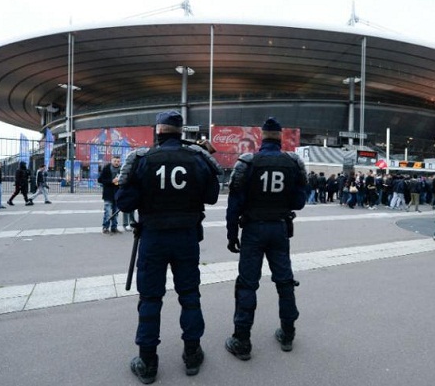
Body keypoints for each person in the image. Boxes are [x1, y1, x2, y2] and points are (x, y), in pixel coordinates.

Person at [116, 111, 220, 383]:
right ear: (180, 132)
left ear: (158, 132)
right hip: (186, 238)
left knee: (150, 298)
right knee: (190, 296)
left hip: (153, 238)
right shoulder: (197, 159)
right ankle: (192, 354)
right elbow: (211, 197)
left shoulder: (142, 160)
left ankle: (148, 362)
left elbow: (124, 202)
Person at [225, 117, 307, 361]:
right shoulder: (292, 163)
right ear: (280, 137)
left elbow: (233, 206)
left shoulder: (248, 163)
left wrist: (232, 235)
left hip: (252, 230)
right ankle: (288, 333)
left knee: (248, 284)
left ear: (261, 136)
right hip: (279, 229)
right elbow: (299, 202)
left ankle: (242, 340)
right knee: (285, 282)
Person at [98, 156, 123, 234]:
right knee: (108, 212)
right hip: (108, 194)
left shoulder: (122, 169)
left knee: (115, 212)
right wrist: (111, 181)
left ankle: (114, 227)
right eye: (115, 161)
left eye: (118, 161)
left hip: (117, 194)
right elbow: (100, 180)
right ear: (112, 161)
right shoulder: (106, 168)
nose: (116, 163)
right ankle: (105, 227)